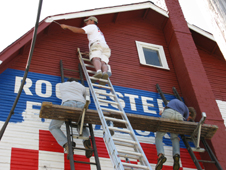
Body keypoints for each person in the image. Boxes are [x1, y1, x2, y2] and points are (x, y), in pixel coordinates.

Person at [49, 78, 93, 158]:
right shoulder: (82, 86)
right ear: (76, 81)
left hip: (68, 104)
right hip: (81, 105)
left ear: (68, 81)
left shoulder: (62, 85)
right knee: (81, 123)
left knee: (53, 127)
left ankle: (67, 144)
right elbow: (88, 100)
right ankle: (86, 141)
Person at [60, 16, 111, 85]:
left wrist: (67, 26)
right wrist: (90, 52)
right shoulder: (99, 31)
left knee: (95, 58)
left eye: (87, 21)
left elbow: (79, 30)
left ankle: (99, 72)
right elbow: (100, 46)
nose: (86, 23)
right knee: (103, 62)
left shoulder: (92, 26)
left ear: (92, 20)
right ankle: (105, 73)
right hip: (105, 47)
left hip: (97, 44)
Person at [155, 99, 196, 170]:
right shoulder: (185, 110)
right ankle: (176, 155)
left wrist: (162, 112)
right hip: (179, 117)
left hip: (168, 113)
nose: (188, 119)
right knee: (174, 137)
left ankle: (161, 155)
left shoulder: (176, 102)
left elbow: (163, 110)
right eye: (189, 118)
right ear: (189, 113)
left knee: (159, 136)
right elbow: (183, 119)